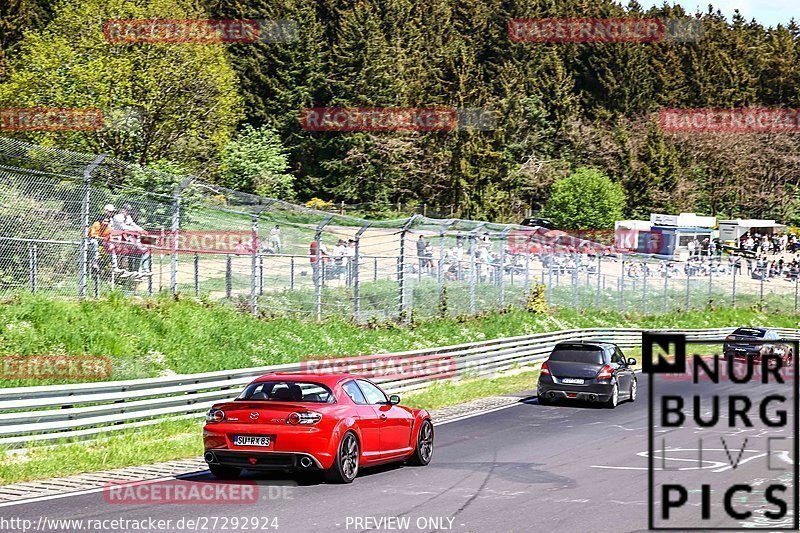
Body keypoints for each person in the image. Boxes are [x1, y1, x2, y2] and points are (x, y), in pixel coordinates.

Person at [88, 204, 115, 270]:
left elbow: (109, 236)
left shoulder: (108, 227)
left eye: (107, 222)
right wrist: (102, 238)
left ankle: (114, 265)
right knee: (95, 243)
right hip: (91, 239)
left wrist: (105, 239)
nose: (106, 223)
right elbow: (93, 235)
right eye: (104, 221)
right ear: (101, 221)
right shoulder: (97, 224)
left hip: (101, 239)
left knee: (111, 245)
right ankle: (95, 262)